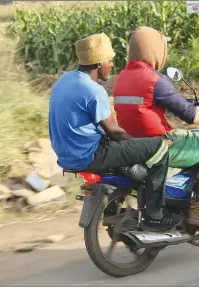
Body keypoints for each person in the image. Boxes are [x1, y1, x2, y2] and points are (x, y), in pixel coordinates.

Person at [48, 33, 181, 232]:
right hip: (90, 154)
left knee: (130, 160)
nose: (112, 65)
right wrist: (140, 143)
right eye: (110, 60)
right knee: (159, 147)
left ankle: (115, 207)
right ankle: (155, 215)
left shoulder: (64, 81)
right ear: (99, 63)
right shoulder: (93, 90)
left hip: (66, 156)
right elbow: (114, 132)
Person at [112, 26, 199, 228]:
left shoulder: (121, 78)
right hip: (161, 144)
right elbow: (193, 115)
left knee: (196, 138)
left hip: (133, 144)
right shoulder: (155, 79)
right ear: (154, 49)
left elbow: (148, 106)